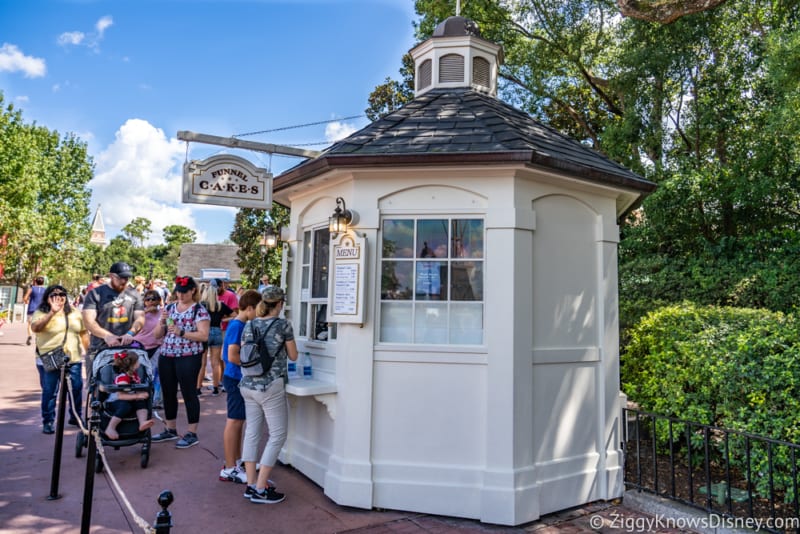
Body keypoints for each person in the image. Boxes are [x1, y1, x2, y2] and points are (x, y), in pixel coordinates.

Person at [240, 286, 297, 504]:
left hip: (247, 384)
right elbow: (293, 356)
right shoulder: (283, 325)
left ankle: (251, 484)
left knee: (252, 432)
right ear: (280, 303)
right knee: (278, 435)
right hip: (270, 384)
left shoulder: (250, 324)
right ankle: (262, 487)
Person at [150, 276, 210, 448]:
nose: (181, 295)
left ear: (193, 291)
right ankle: (170, 428)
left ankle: (192, 432)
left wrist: (181, 332)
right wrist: (161, 322)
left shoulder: (199, 310)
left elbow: (203, 335)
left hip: (189, 356)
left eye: (184, 292)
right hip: (167, 354)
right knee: (168, 393)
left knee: (188, 392)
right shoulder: (169, 308)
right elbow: (157, 335)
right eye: (178, 292)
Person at [31, 285, 89, 434]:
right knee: (50, 391)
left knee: (76, 388)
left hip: (72, 357)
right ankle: (48, 421)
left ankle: (75, 417)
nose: (59, 297)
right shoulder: (41, 312)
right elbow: (36, 328)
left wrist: (89, 352)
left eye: (62, 294)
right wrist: (52, 312)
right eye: (54, 294)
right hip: (50, 356)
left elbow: (83, 333)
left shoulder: (75, 313)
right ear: (47, 297)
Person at [218, 289, 261, 484]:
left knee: (239, 421)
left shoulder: (240, 324)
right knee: (234, 421)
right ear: (250, 308)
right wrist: (253, 366)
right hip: (235, 377)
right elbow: (232, 354)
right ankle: (228, 468)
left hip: (236, 377)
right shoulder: (238, 326)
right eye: (258, 309)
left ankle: (235, 461)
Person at [82, 262, 145, 357]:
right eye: (120, 278)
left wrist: (130, 333)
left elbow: (140, 318)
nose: (124, 281)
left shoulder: (134, 294)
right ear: (111, 276)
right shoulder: (95, 294)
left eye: (127, 278)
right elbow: (88, 321)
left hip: (126, 349)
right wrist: (107, 336)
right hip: (99, 348)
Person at [104, 350, 155, 440]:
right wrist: (137, 396)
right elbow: (120, 396)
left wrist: (140, 395)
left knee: (141, 402)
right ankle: (110, 427)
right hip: (116, 401)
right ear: (133, 364)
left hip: (129, 399)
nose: (139, 363)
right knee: (125, 406)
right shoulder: (123, 379)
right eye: (138, 361)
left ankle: (142, 422)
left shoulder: (134, 375)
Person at [198, 280, 234, 396]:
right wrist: (222, 320)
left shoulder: (201, 306)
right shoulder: (220, 305)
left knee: (202, 363)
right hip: (217, 331)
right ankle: (215, 388)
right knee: (216, 363)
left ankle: (198, 388)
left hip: (205, 331)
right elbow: (235, 315)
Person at [133, 289, 165, 407]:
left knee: (157, 375)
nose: (151, 301)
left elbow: (171, 324)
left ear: (159, 301)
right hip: (140, 347)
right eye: (148, 299)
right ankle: (141, 399)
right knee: (141, 374)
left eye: (154, 299)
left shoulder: (163, 312)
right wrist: (145, 312)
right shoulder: (139, 313)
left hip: (158, 346)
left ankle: (156, 400)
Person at [24, 276, 46, 345]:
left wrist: (27, 302)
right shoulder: (45, 290)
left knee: (30, 324)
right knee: (39, 324)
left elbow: (25, 298)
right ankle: (38, 337)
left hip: (31, 308)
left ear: (36, 282)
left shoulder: (31, 289)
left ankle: (30, 336)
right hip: (41, 310)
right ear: (43, 282)